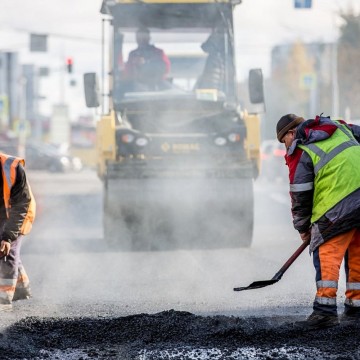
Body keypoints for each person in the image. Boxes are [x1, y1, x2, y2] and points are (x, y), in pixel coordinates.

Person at [276, 113, 360, 330]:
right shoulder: (339, 127)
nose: (285, 146)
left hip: (339, 204)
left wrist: (304, 229)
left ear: (291, 133)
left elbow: (301, 195)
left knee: (326, 253)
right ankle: (356, 307)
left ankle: (324, 312)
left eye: (283, 140)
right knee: (357, 250)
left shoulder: (301, 148)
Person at [0, 153, 36, 311]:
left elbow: (22, 204)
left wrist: (7, 237)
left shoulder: (13, 168)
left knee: (7, 252)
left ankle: (3, 301)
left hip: (19, 212)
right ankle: (22, 288)